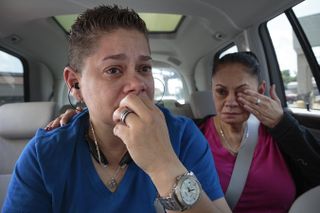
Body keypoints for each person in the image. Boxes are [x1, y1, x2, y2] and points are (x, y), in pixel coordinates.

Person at [2, 5, 232, 213]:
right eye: (113, 70)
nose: (137, 84)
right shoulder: (45, 154)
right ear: (75, 83)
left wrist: (163, 164)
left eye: (144, 68)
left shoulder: (183, 136)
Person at [47, 51, 320, 212]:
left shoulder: (278, 135)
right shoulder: (190, 135)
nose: (231, 101)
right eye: (221, 92)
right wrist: (87, 117)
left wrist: (284, 124)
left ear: (261, 92)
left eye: (243, 92)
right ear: (211, 91)